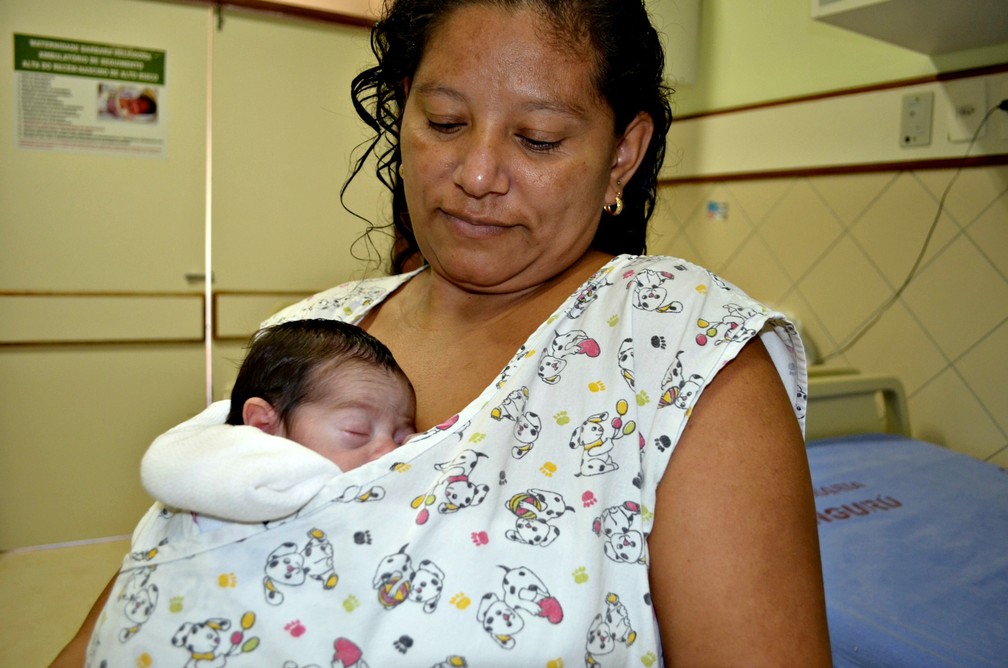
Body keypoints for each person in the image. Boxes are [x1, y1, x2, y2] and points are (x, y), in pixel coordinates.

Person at [54, 0, 832, 665]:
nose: (477, 174)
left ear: (622, 153)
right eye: (446, 122)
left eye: (538, 138)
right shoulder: (311, 332)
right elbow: (159, 574)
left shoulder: (688, 346)